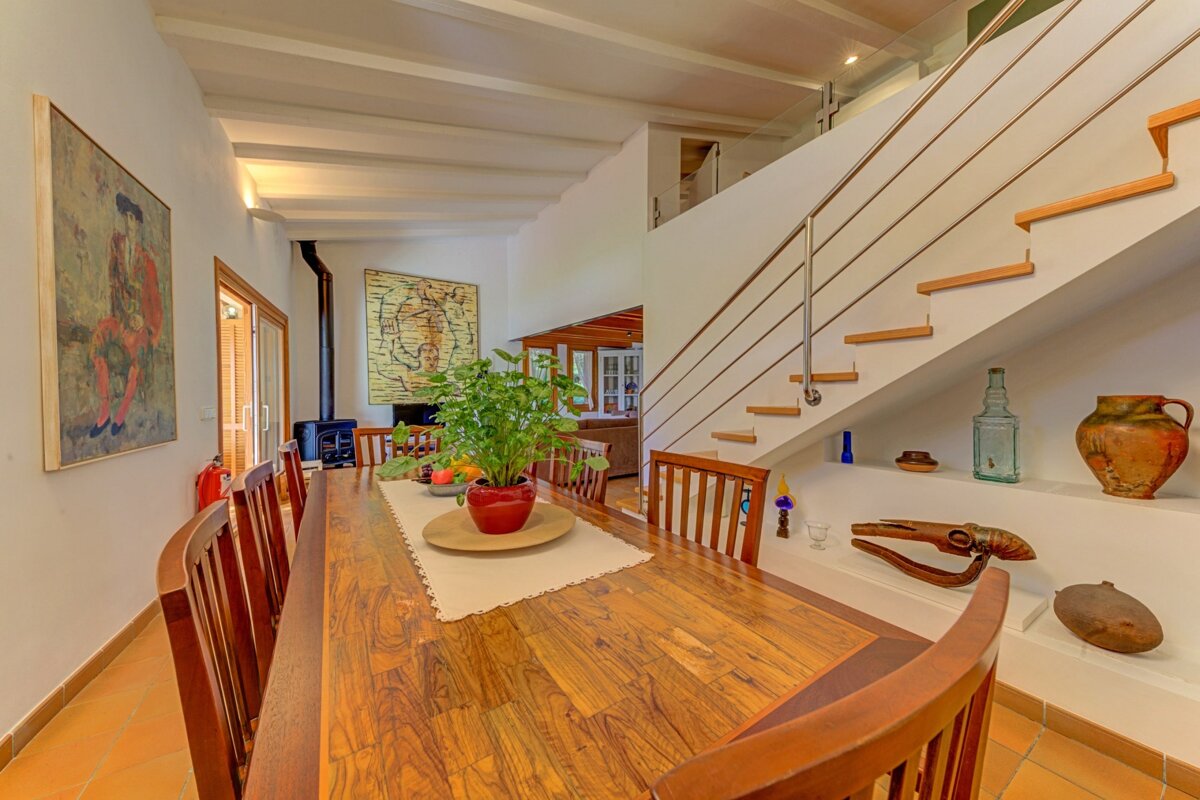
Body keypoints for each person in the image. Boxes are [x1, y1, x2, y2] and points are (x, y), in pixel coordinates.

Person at [89, 192, 164, 437]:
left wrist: (145, 322)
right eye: (126, 217)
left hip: (139, 324)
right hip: (120, 319)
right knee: (99, 337)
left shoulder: (147, 262)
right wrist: (120, 313)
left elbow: (154, 302)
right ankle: (104, 412)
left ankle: (120, 416)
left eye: (132, 219)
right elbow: (113, 283)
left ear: (138, 224)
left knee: (137, 355)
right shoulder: (117, 247)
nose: (128, 223)